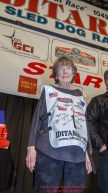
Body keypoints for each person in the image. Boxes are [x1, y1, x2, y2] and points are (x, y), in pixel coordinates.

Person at [26, 56, 93, 193]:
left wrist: (88, 152)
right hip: (49, 150)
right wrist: (30, 147)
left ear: (73, 73)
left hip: (76, 153)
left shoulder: (80, 95)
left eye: (68, 68)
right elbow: (36, 120)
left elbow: (83, 125)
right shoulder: (48, 90)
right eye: (60, 69)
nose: (65, 72)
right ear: (56, 74)